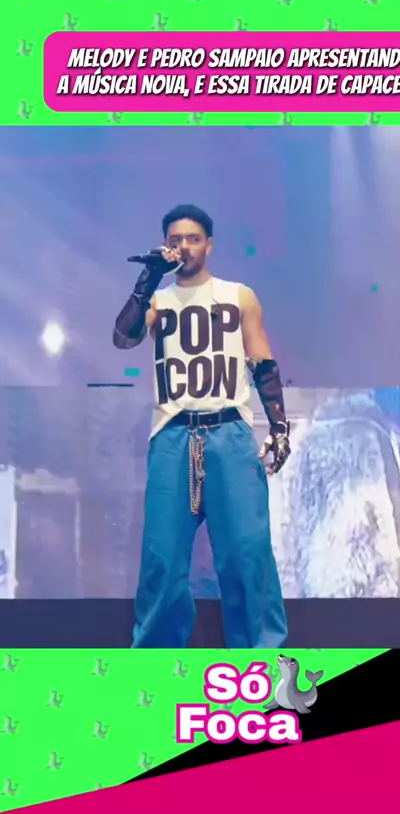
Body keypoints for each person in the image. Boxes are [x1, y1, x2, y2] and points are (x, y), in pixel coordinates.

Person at [113, 204, 290, 648]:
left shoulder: (238, 296)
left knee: (247, 552)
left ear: (209, 244)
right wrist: (148, 278)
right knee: (162, 559)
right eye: (175, 240)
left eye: (193, 239)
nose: (184, 247)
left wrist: (279, 427)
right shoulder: (158, 301)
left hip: (229, 432)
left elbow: (263, 362)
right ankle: (154, 668)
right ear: (165, 245)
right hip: (173, 434)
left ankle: (260, 660)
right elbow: (123, 338)